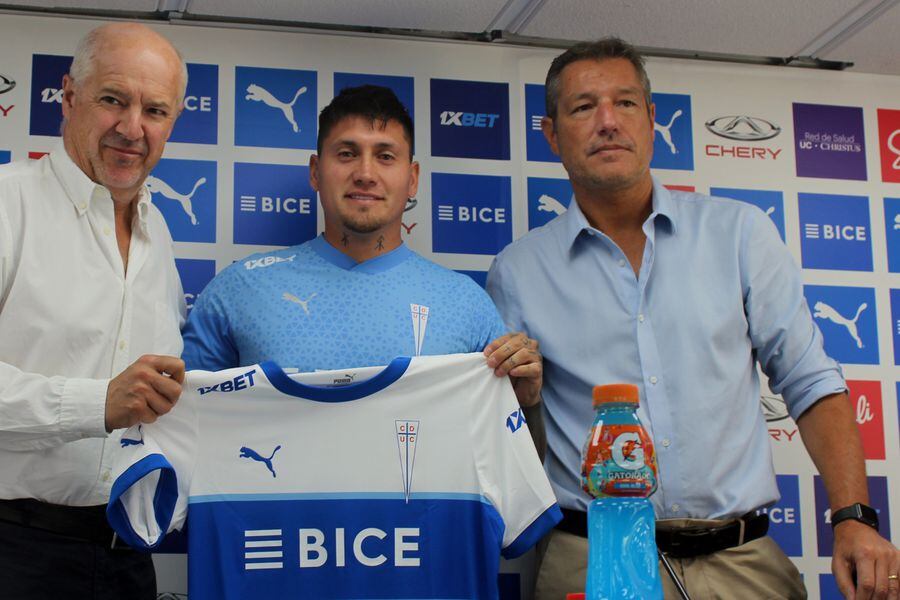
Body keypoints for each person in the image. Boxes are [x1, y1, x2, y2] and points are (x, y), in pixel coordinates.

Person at [487, 38, 900, 600]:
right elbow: (510, 440)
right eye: (584, 107)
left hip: (741, 563)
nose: (608, 121)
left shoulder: (740, 234)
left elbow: (811, 382)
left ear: (653, 120)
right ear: (552, 134)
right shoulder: (518, 270)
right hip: (596, 561)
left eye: (626, 103)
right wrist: (526, 398)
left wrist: (854, 516)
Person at [182, 84, 543, 419]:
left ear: (412, 178)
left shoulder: (467, 305)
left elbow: (512, 465)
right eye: (346, 153)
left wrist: (528, 404)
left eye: (385, 156)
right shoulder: (239, 289)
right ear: (315, 171)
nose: (365, 173)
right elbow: (187, 431)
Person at [0, 23, 188, 599]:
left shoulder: (162, 235)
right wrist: (96, 403)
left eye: (155, 110)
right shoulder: (7, 205)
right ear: (69, 96)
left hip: (127, 557)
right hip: (13, 552)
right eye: (114, 99)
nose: (132, 128)